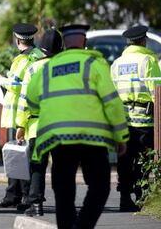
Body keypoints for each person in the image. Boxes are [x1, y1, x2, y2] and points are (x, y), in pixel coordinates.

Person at [26, 24, 128, 229]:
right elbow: (112, 101)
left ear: (65, 44)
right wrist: (121, 135)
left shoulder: (47, 68)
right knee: (99, 187)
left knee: (63, 191)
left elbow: (31, 100)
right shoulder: (94, 64)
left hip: (59, 138)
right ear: (85, 42)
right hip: (93, 137)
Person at [0, 23, 44, 210]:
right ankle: (14, 193)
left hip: (20, 110)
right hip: (33, 110)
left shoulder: (22, 60)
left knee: (18, 156)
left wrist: (0, 80)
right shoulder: (39, 55)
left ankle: (19, 196)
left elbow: (15, 85)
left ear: (18, 40)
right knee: (21, 155)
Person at [110, 25, 160, 212]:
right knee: (143, 158)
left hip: (123, 121)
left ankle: (124, 198)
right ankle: (142, 196)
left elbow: (112, 94)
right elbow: (157, 92)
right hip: (144, 121)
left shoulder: (116, 64)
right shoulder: (147, 61)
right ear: (143, 40)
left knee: (125, 160)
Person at [15, 29, 64, 216]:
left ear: (42, 48)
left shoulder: (32, 68)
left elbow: (24, 100)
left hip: (37, 126)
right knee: (61, 166)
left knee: (37, 166)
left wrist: (20, 125)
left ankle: (36, 204)